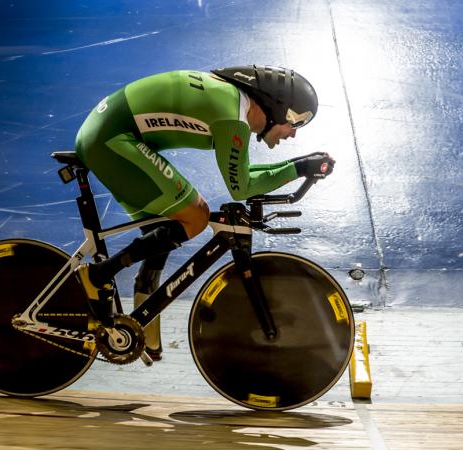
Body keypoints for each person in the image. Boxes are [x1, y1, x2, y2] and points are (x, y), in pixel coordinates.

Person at [73, 65, 334, 361]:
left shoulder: (233, 103)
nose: (292, 134)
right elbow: (242, 187)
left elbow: (242, 174)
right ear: (277, 106)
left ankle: (144, 327)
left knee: (164, 229)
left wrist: (299, 165)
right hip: (111, 141)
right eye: (295, 122)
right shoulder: (232, 116)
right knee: (196, 215)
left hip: (108, 136)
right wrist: (299, 168)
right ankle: (98, 276)